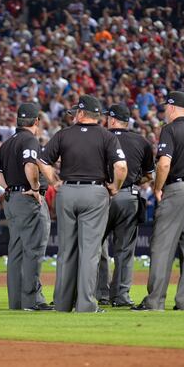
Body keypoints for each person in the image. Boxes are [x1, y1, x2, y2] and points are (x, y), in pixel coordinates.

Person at [39, 95, 127, 313]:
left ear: (80, 113)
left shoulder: (63, 134)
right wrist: (115, 186)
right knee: (90, 252)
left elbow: (42, 161)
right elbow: (122, 167)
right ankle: (86, 304)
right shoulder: (107, 136)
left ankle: (62, 303)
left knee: (66, 250)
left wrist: (55, 182)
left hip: (67, 191)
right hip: (95, 192)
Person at [133, 91, 184, 311]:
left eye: (165, 108)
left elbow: (163, 164)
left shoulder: (170, 130)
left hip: (175, 189)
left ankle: (155, 301)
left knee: (162, 247)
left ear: (171, 107)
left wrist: (158, 188)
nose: (163, 111)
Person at [0, 102, 53, 311]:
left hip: (11, 199)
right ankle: (33, 300)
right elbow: (29, 165)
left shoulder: (9, 142)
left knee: (16, 250)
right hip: (27, 199)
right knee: (33, 250)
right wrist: (35, 187)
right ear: (36, 121)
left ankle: (17, 302)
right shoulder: (29, 140)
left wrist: (8, 187)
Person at [97, 104, 154, 307]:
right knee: (124, 249)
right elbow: (150, 174)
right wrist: (135, 180)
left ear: (112, 120)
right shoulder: (141, 141)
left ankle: (99, 293)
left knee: (95, 246)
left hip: (101, 195)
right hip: (128, 196)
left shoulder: (100, 138)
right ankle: (120, 296)